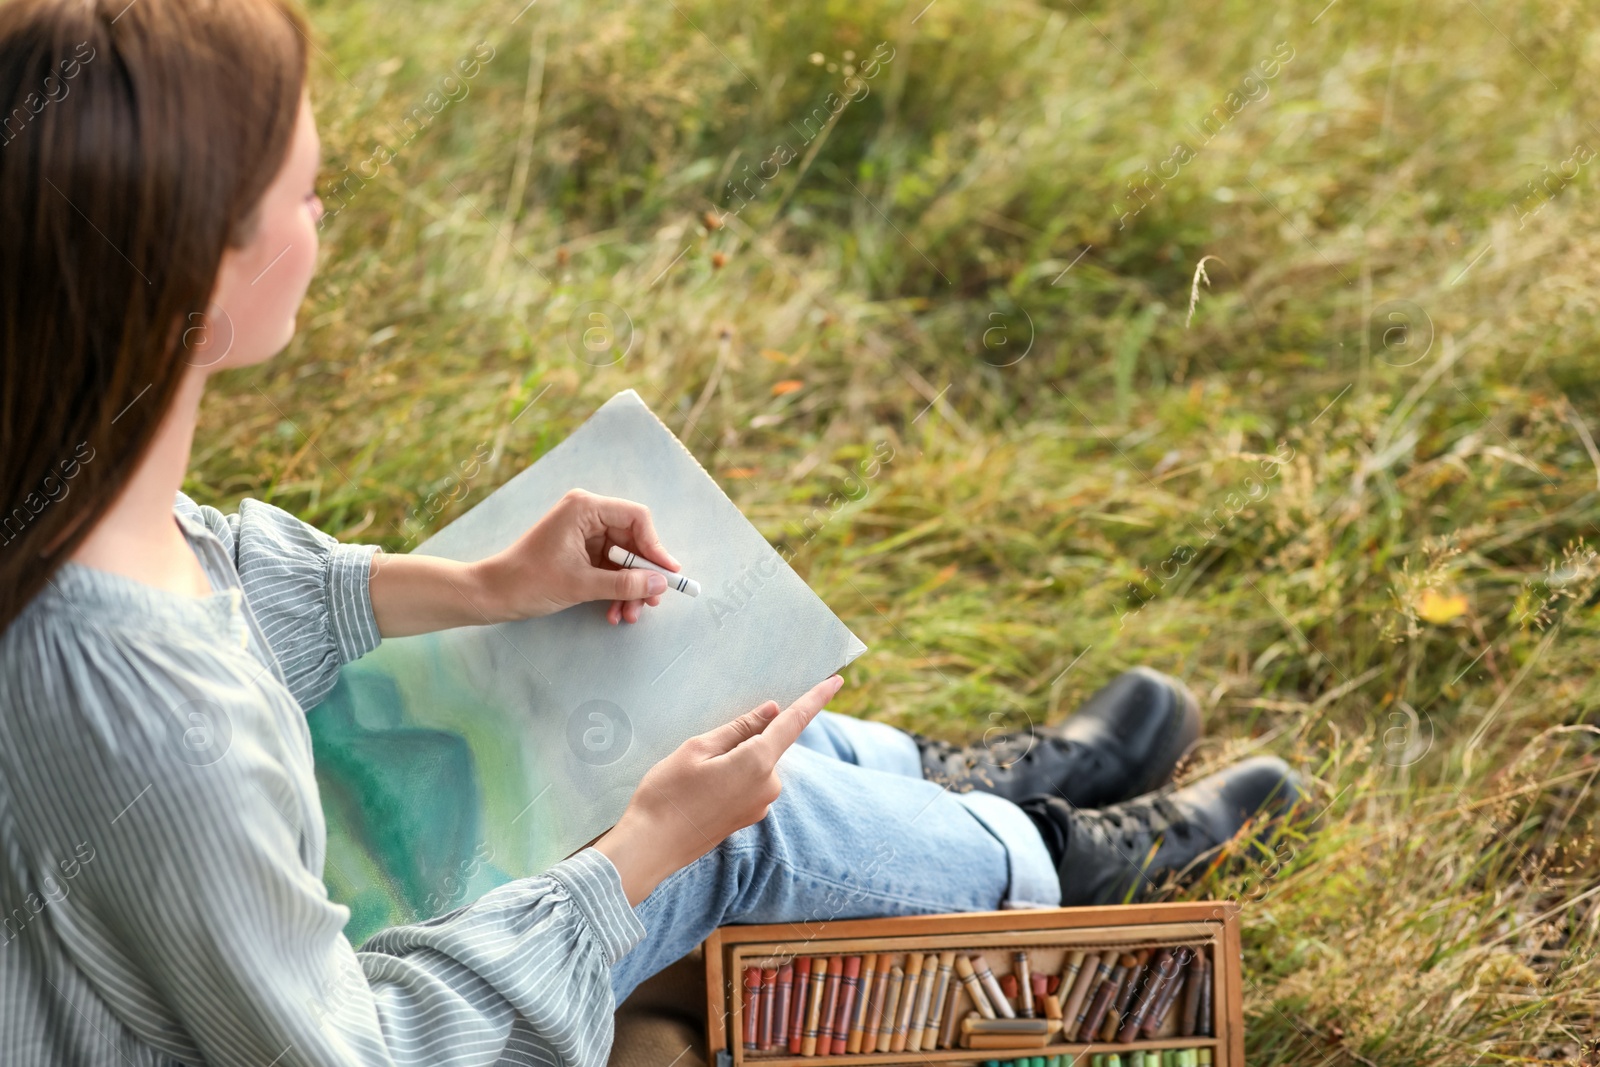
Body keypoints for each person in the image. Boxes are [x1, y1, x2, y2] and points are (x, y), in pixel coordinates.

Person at [0, 0, 1304, 1064]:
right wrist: (643, 853)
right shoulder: (144, 727)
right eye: (304, 196)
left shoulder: (56, 490)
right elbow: (359, 1055)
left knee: (600, 673)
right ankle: (1060, 873)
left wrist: (483, 585)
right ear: (195, 279)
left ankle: (948, 790)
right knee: (719, 823)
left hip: (215, 946)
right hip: (301, 1022)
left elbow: (210, 584)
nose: (325, 220)